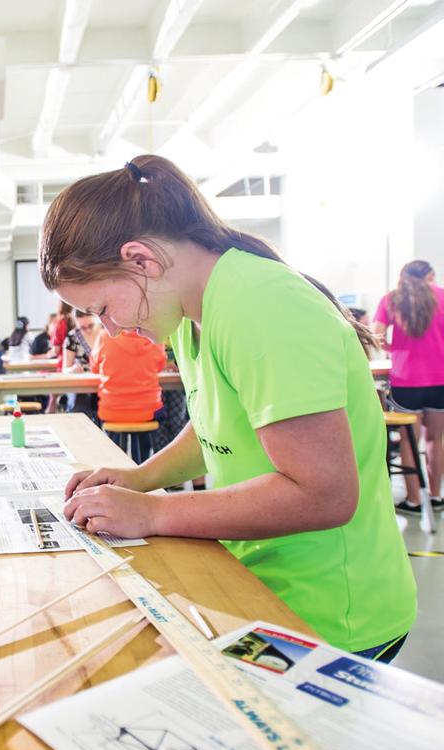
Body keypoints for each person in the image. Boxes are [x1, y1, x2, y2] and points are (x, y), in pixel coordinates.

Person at [46, 155, 416, 661]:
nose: (107, 330)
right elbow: (218, 424)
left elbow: (325, 495)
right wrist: (141, 478)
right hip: (261, 583)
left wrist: (153, 511)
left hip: (330, 614)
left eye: (102, 310)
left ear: (141, 260)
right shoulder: (192, 311)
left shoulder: (261, 306)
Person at [373, 259, 444, 514]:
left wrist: (396, 349)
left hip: (407, 379)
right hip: (441, 379)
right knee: (436, 439)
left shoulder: (391, 299)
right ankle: (436, 497)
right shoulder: (442, 296)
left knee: (409, 440)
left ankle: (413, 500)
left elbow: (376, 334)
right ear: (430, 275)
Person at [91, 328, 166, 462]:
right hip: (147, 411)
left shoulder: (104, 336)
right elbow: (160, 365)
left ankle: (115, 466)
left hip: (112, 411)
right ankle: (143, 465)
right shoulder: (154, 337)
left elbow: (94, 367)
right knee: (153, 426)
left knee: (113, 444)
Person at [62, 310, 100, 421]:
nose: (87, 330)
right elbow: (65, 369)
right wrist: (72, 369)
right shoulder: (72, 337)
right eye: (83, 327)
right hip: (82, 386)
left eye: (90, 325)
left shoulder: (107, 333)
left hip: (104, 384)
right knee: (80, 407)